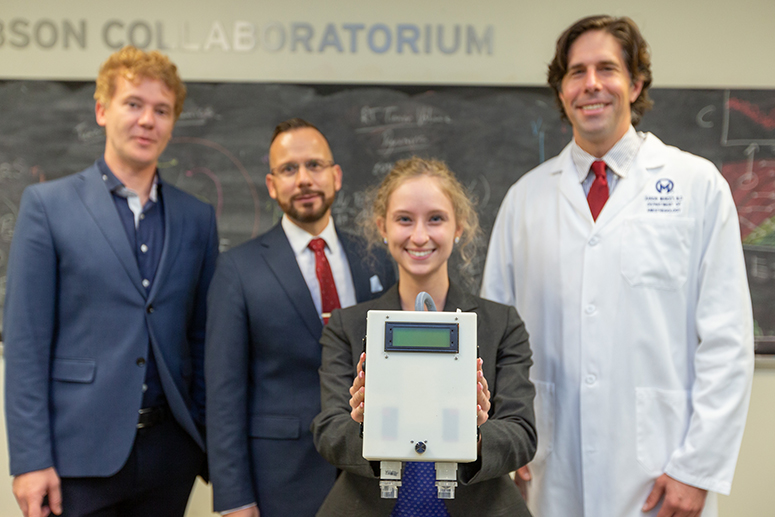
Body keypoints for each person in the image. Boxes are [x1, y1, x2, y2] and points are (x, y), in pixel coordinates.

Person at [481, 15, 754, 517]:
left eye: (606, 68)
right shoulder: (526, 200)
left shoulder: (696, 185)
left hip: (661, 472)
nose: (591, 85)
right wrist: (507, 441)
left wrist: (697, 469)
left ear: (636, 82)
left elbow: (727, 341)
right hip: (547, 468)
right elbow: (496, 339)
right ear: (561, 91)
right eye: (575, 72)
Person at [3, 46, 218, 517]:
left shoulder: (197, 218)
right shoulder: (47, 207)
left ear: (172, 124)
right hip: (76, 458)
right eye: (134, 104)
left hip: (169, 458)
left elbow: (202, 338)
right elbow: (26, 344)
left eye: (161, 110)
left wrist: (203, 444)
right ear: (102, 111)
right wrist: (29, 460)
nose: (147, 120)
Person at [311, 156, 536, 516]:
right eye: (404, 219)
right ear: (381, 227)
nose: (419, 235)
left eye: (436, 218)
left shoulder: (501, 324)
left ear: (458, 226)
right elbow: (328, 430)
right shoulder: (347, 325)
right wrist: (362, 427)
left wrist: (476, 433)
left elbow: (522, 434)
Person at [205, 118, 396, 517]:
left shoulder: (376, 257)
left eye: (314, 165)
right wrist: (235, 498)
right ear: (272, 185)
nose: (304, 179)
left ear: (336, 176)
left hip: (371, 474)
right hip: (280, 481)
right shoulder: (237, 270)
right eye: (289, 169)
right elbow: (224, 395)